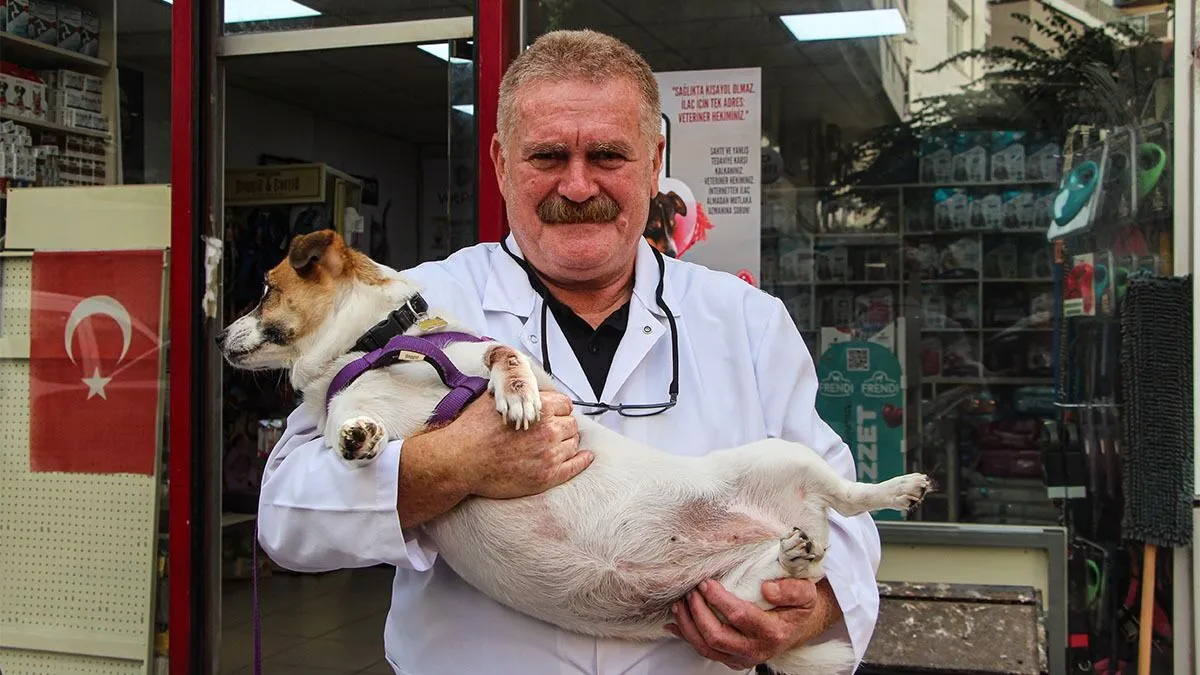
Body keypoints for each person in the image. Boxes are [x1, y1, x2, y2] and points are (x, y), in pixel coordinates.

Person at [257, 28, 881, 675]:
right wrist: (444, 465)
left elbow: (846, 514)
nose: (578, 186)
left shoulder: (746, 322)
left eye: (607, 154)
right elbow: (285, 516)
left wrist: (807, 609)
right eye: (548, 156)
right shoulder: (412, 305)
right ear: (500, 162)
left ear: (655, 159)